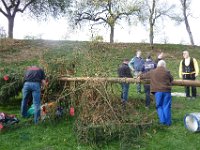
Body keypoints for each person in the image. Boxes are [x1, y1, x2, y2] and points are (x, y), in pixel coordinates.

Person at [139, 60, 173, 126]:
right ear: (164, 65)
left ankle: (162, 121)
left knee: (159, 106)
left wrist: (139, 76)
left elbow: (144, 76)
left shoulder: (153, 72)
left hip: (158, 92)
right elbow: (171, 79)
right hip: (167, 91)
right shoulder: (167, 72)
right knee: (166, 106)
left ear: (158, 65)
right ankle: (168, 123)